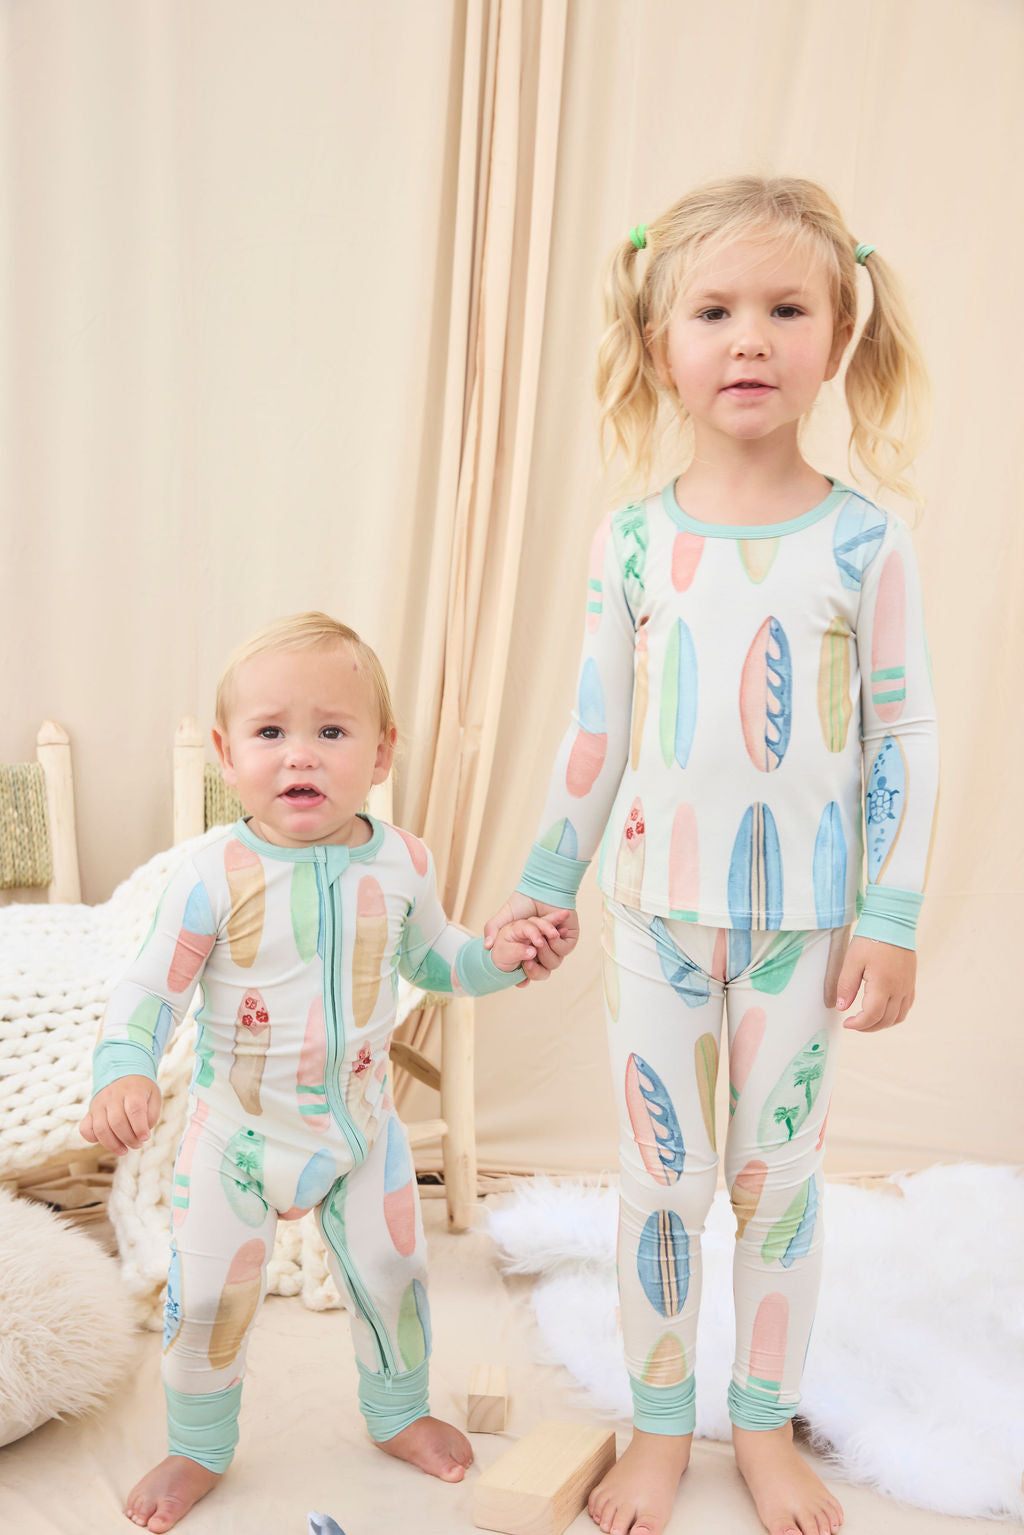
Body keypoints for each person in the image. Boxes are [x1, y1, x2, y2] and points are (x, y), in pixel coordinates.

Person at [484, 176, 938, 1535]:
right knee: (661, 1181)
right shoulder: (635, 539)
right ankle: (660, 1423)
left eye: (786, 309)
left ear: (838, 336)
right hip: (656, 924)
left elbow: (905, 731)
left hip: (805, 924)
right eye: (716, 310)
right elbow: (594, 729)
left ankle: (764, 1423)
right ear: (660, 340)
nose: (750, 338)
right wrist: (545, 883)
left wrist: (895, 911)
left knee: (777, 1181)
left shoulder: (867, 540)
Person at [80, 611, 571, 1533]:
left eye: (331, 731)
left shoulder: (404, 861)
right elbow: (152, 986)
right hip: (238, 1137)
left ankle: (396, 1411)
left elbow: (439, 960)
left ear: (381, 752)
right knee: (206, 1301)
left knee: (394, 1275)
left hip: (361, 1130)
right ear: (228, 755)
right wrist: (123, 1069)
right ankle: (196, 1444)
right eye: (271, 732)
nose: (299, 754)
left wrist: (502, 956)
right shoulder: (210, 874)